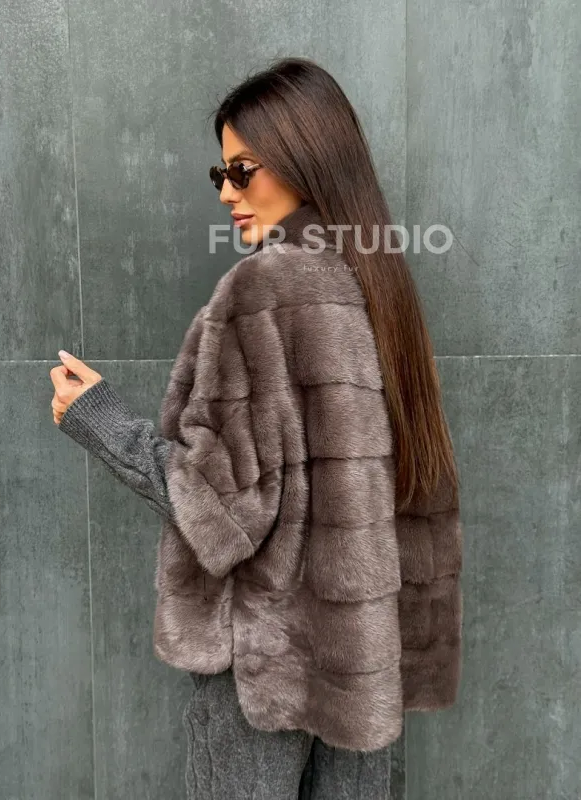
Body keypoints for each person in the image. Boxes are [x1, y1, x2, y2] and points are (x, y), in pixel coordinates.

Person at [49, 56, 463, 800]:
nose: (227, 193)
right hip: (362, 666)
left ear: (305, 161)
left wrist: (96, 418)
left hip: (263, 665)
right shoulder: (380, 284)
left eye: (243, 171)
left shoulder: (265, 288)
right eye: (221, 175)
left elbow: (222, 508)